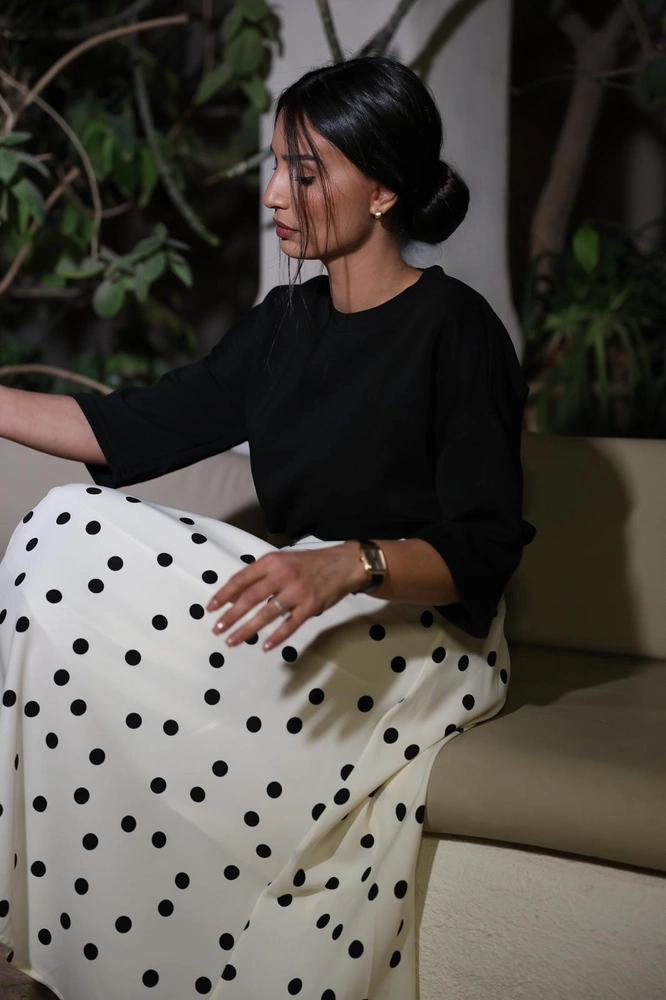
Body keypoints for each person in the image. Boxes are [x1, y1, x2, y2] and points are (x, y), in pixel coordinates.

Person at [0, 55, 536, 1000]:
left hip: (417, 633)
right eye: (275, 166)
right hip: (299, 602)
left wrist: (348, 565)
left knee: (80, 543)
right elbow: (124, 429)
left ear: (383, 190)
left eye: (304, 171)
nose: (274, 196)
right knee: (65, 527)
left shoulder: (459, 331)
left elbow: (483, 548)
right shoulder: (282, 323)